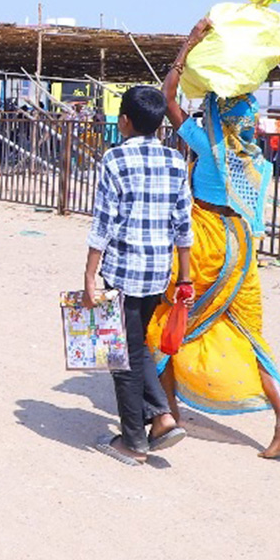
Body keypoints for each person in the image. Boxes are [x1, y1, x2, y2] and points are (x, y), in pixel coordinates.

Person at [149, 18, 280, 459]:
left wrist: (188, 46)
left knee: (171, 318)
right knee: (250, 333)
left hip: (208, 239)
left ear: (215, 119)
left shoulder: (207, 147)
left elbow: (168, 98)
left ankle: (168, 413)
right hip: (243, 246)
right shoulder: (254, 159)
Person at [83, 85, 192, 466]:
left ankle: (134, 442)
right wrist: (185, 278)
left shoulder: (115, 160)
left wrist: (89, 277)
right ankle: (161, 417)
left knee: (121, 355)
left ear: (124, 120)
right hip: (159, 272)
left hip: (123, 271)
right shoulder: (176, 162)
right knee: (136, 344)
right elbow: (183, 226)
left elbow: (104, 223)